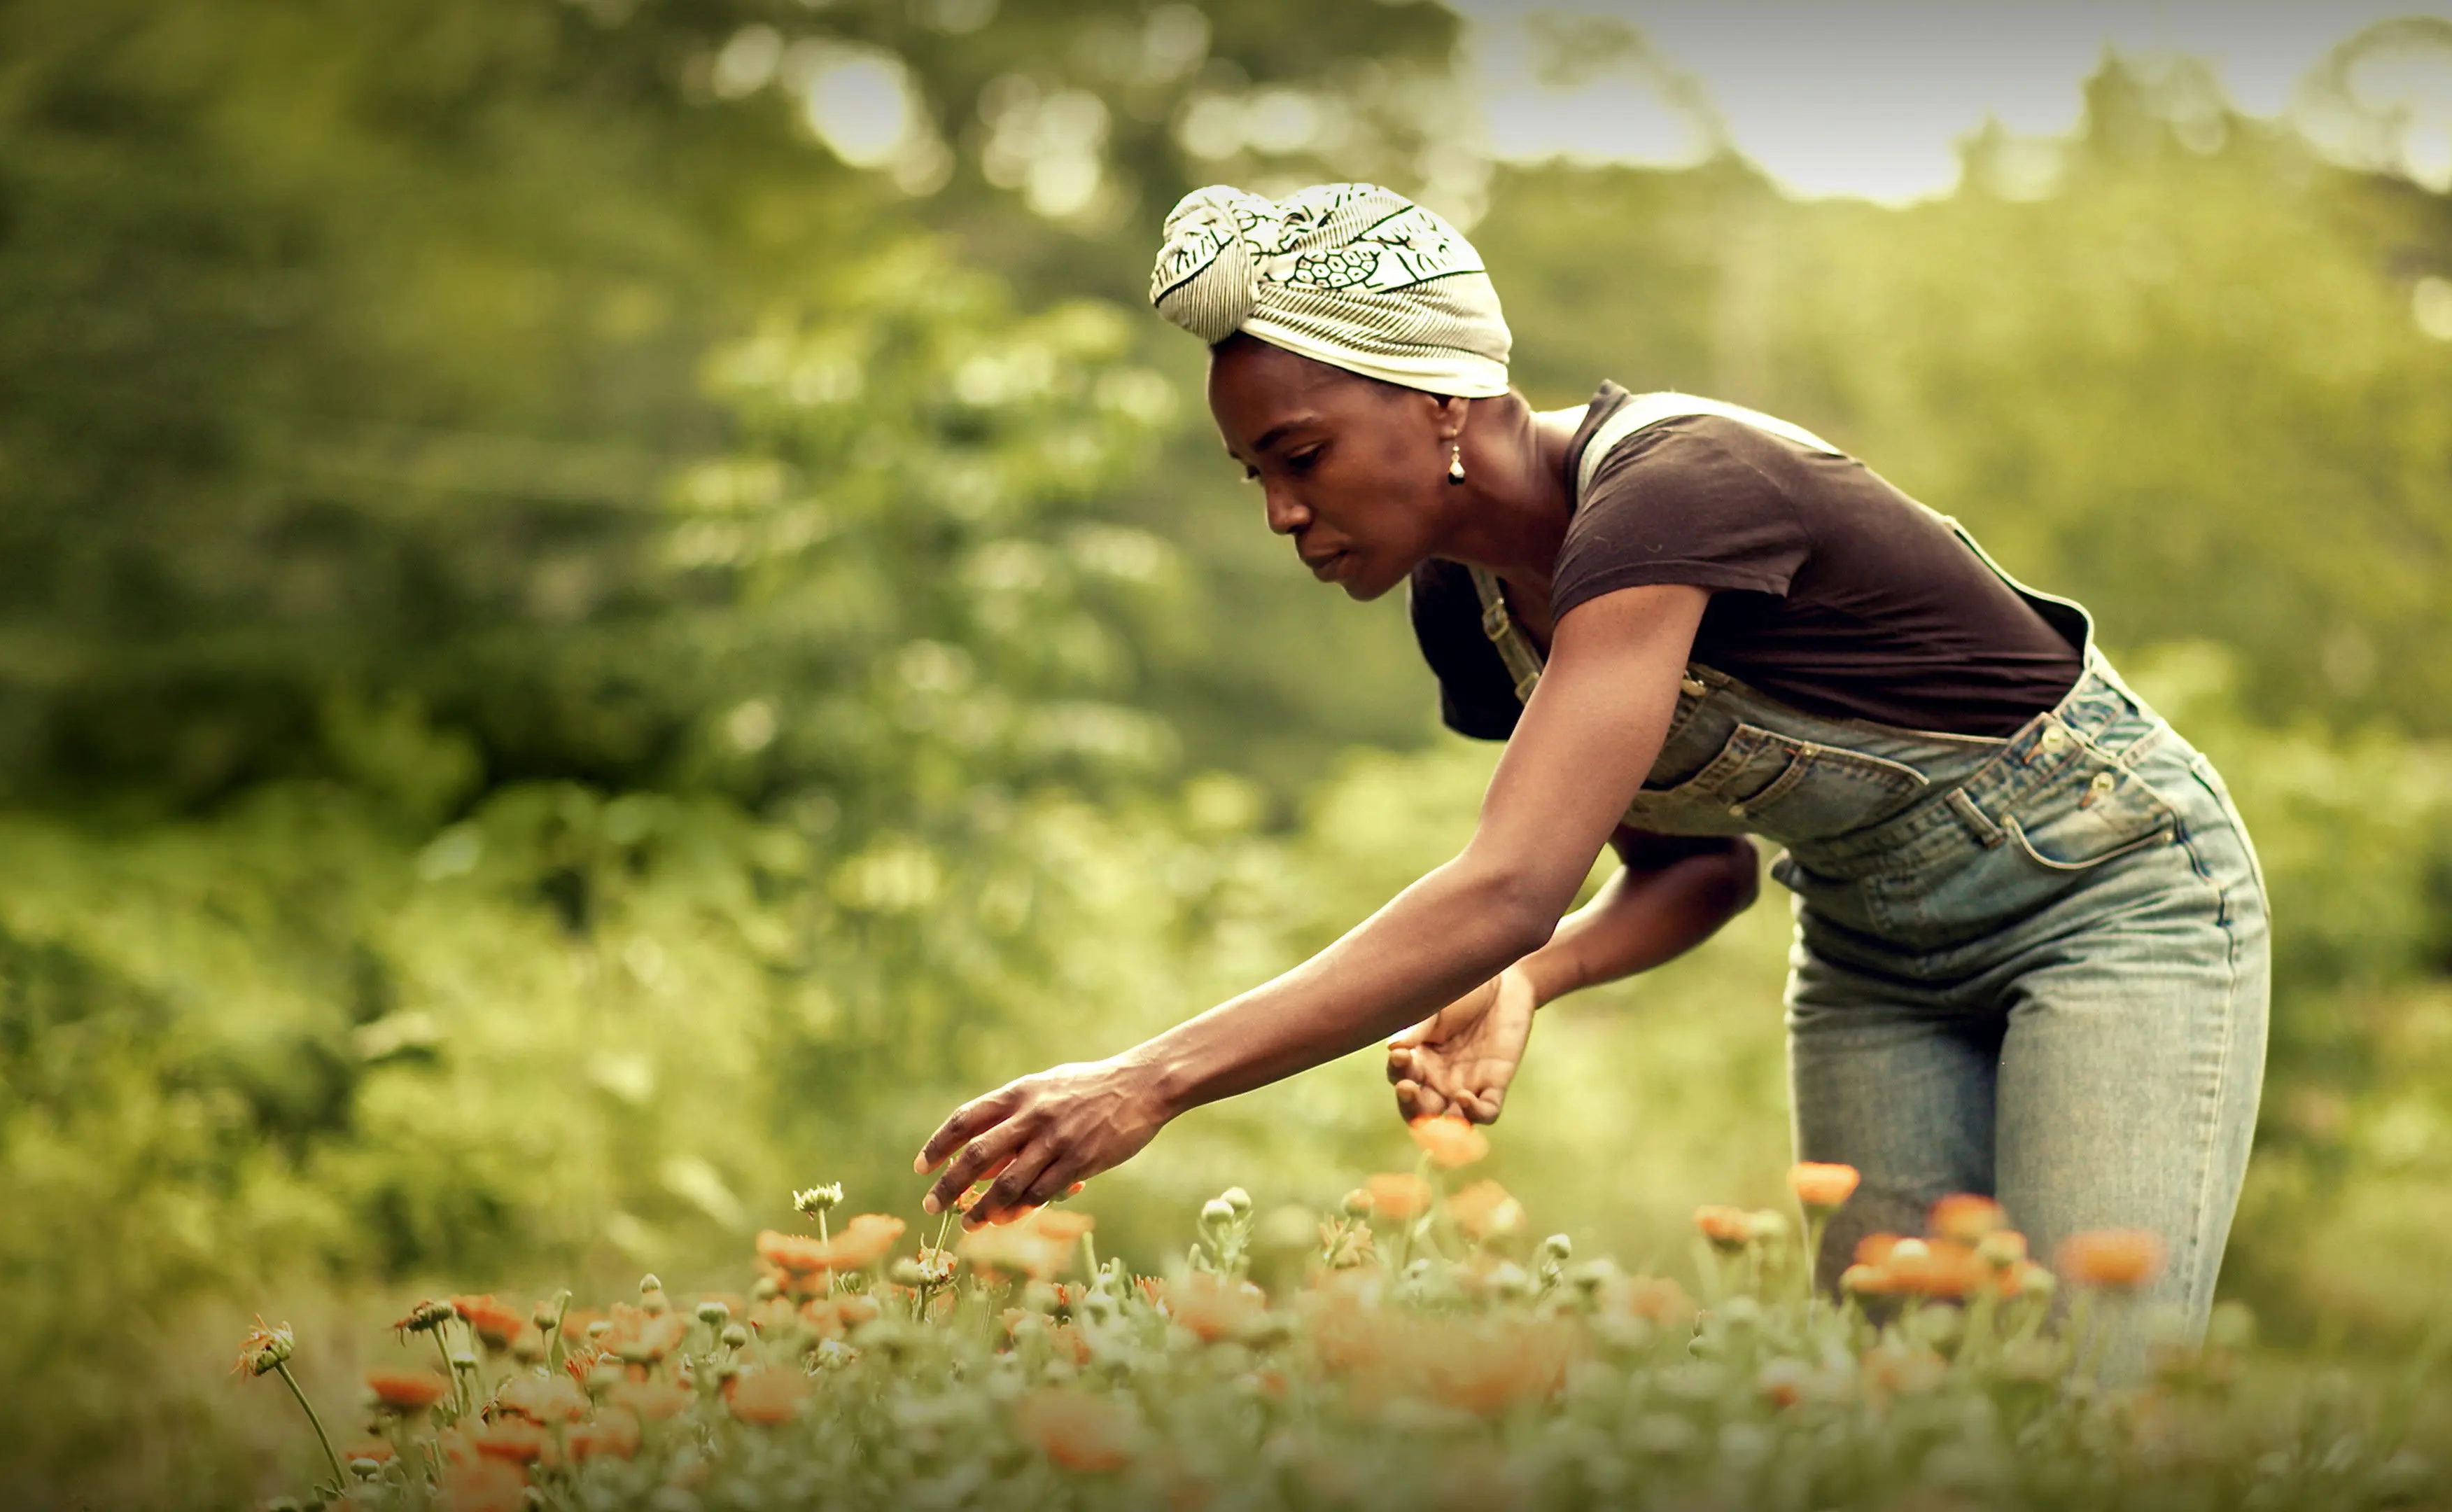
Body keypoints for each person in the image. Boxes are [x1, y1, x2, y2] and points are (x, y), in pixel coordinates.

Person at [914, 182, 2269, 1340]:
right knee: (1909, 1409)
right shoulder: (1467, 603)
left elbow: (1507, 882)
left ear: (1444, 401)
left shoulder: (1680, 488)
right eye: (1252, 474)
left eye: (1301, 455)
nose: (1281, 511)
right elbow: (1700, 875)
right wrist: (1534, 976)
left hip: (2113, 893)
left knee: (2094, 1397)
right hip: (1873, 955)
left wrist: (1148, 1080)